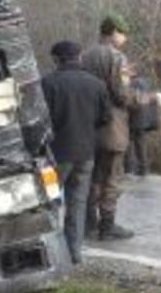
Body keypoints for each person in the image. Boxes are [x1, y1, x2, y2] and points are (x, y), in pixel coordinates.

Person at [82, 14, 155, 240]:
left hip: (88, 127)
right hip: (112, 128)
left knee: (93, 177)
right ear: (113, 32)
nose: (125, 38)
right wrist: (150, 98)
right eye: (123, 33)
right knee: (112, 178)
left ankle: (89, 223)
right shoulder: (116, 57)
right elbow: (123, 96)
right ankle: (108, 226)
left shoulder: (85, 55)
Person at [41, 41, 111, 264]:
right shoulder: (97, 84)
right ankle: (74, 252)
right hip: (85, 156)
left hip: (53, 158)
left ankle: (50, 254)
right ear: (79, 57)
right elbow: (105, 118)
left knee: (48, 202)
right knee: (78, 204)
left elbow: (38, 120)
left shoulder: (47, 83)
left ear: (56, 59)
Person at [125, 74, 161, 176]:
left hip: (135, 119)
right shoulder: (147, 83)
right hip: (144, 121)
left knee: (130, 144)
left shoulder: (133, 84)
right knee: (141, 144)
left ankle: (130, 168)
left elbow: (135, 101)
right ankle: (142, 168)